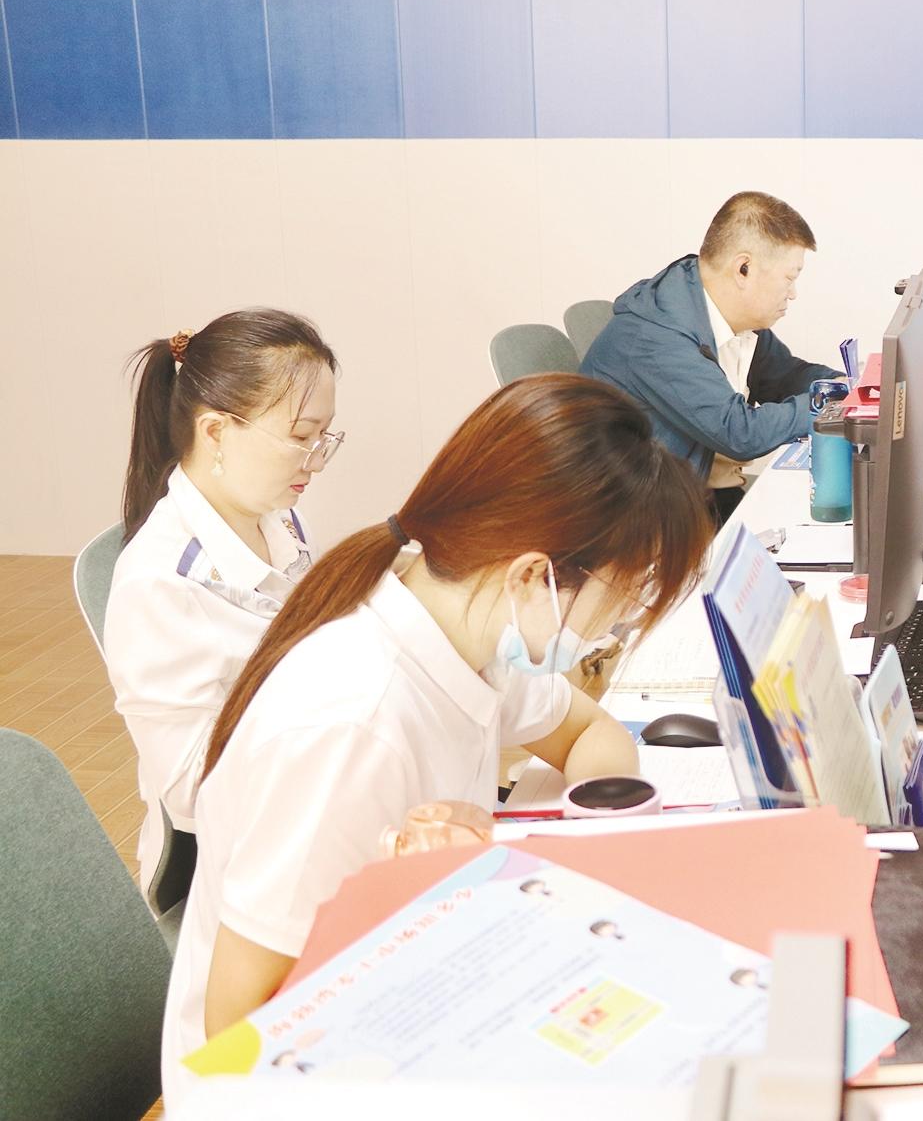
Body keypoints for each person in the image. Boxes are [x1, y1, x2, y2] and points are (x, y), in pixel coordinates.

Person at [160, 374, 714, 1098]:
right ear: (534, 578)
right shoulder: (352, 726)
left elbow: (591, 732)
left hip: (412, 992)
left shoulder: (470, 621)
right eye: (621, 601)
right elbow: (239, 1029)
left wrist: (586, 845)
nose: (613, 631)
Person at [104, 309, 341, 900]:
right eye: (300, 436)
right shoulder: (158, 584)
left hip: (316, 803)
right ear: (215, 432)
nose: (315, 459)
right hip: (235, 859)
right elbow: (192, 789)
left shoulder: (281, 518)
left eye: (323, 437)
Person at [581, 191, 842, 521]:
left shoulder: (724, 310)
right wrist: (829, 402)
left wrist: (844, 385)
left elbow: (784, 375)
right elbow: (740, 433)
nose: (793, 293)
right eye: (789, 278)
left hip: (691, 493)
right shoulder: (658, 336)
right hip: (636, 517)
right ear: (744, 268)